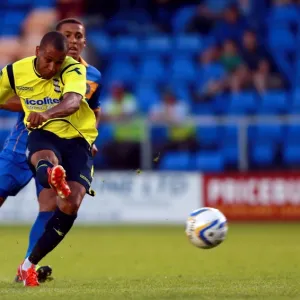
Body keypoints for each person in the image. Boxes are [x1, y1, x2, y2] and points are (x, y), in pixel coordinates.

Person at [0, 18, 102, 283]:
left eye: (78, 36)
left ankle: (26, 268)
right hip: (29, 134)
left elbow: (93, 108)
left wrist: (91, 138)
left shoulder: (89, 75)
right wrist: (29, 106)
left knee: (49, 204)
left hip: (66, 139)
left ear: (84, 41)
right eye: (67, 35)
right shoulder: (28, 69)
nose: (73, 41)